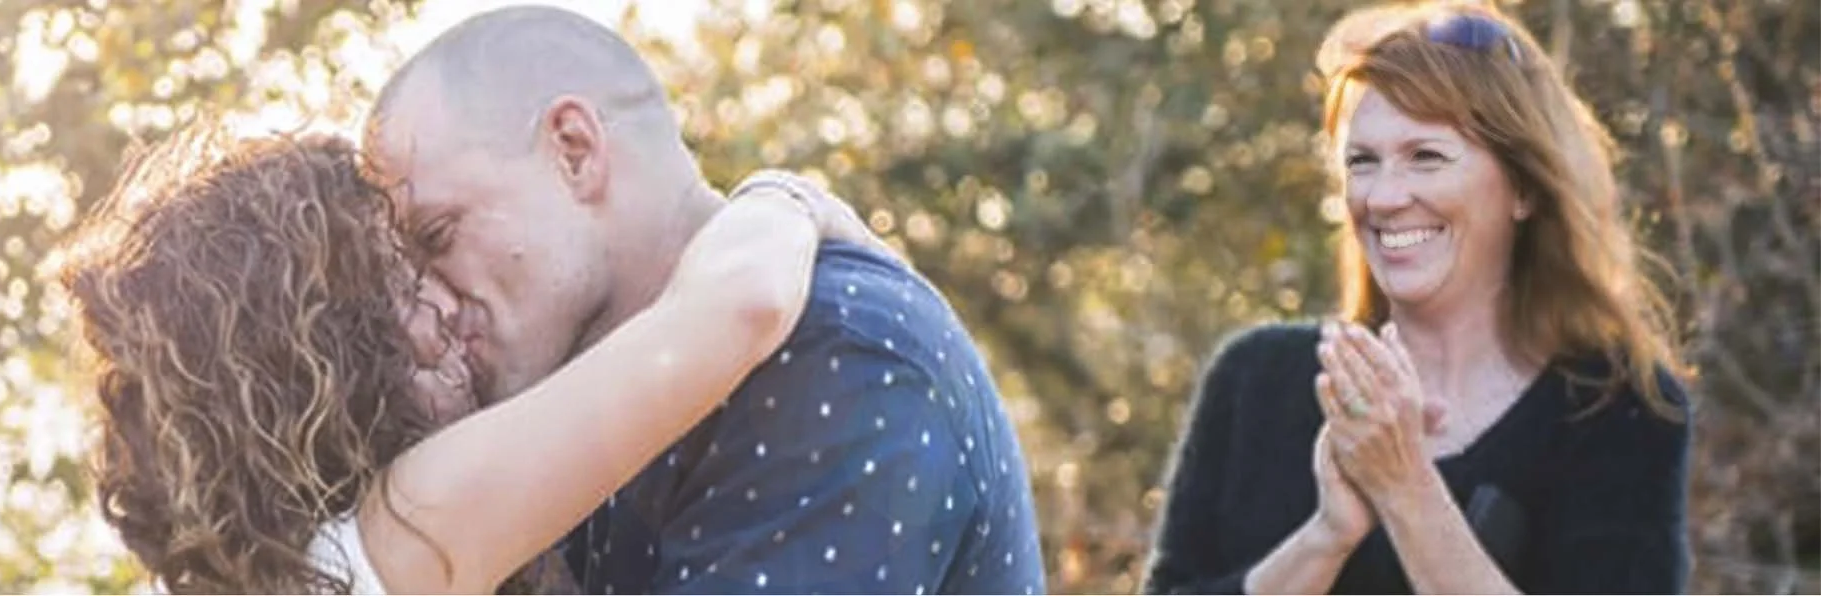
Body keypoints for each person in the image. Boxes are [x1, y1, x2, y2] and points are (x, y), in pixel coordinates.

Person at [361, 6, 1047, 594]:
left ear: (574, 150)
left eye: (438, 235)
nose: (432, 303)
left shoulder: (832, 354)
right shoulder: (592, 399)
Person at [51, 122, 882, 593]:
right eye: (400, 278)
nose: (449, 304)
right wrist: (785, 196)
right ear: (313, 353)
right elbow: (739, 307)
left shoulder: (233, 574)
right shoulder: (386, 541)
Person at [1142, 2, 1694, 594]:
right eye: (1363, 162)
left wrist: (1404, 487)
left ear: (1525, 188)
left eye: (1425, 157)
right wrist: (1326, 538)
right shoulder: (1254, 379)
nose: (1383, 197)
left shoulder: (1616, 406)